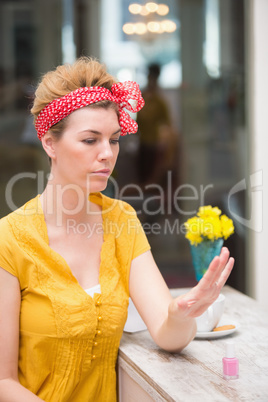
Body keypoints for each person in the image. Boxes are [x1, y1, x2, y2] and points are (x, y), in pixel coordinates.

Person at [0, 57, 234, 402]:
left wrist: (184, 313)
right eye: (90, 140)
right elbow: (3, 382)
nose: (107, 154)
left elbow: (167, 333)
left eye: (114, 139)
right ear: (50, 143)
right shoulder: (10, 239)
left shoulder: (121, 220)